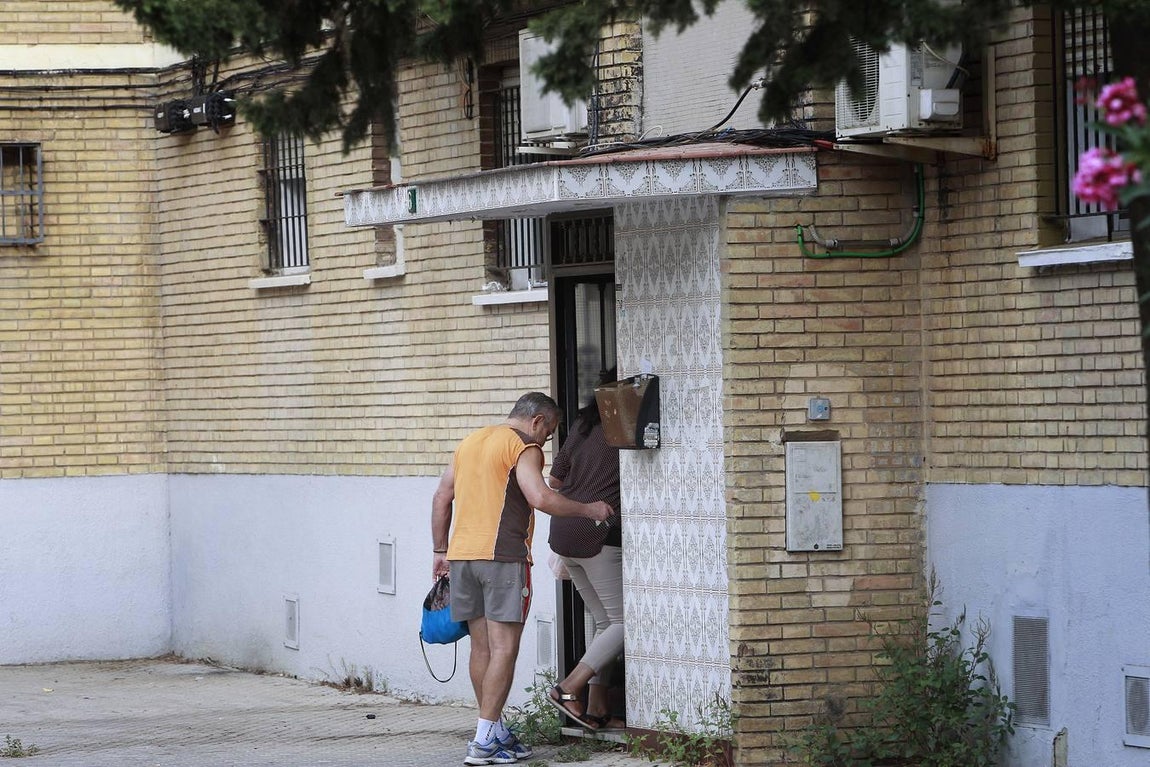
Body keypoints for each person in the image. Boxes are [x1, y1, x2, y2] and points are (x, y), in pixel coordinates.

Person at [431, 392, 612, 766]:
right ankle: (483, 740)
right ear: (537, 421)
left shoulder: (470, 442)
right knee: (504, 649)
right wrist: (588, 508)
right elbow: (541, 497)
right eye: (549, 431)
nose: (547, 440)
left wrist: (439, 550)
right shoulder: (522, 447)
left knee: (481, 648)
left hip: (462, 557)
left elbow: (441, 497)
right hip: (502, 558)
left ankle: (492, 729)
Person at [545, 370, 625, 732]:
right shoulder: (625, 425)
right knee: (626, 622)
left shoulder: (583, 423)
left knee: (606, 622)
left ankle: (596, 707)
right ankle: (569, 687)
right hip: (597, 532)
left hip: (565, 530)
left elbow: (556, 480)